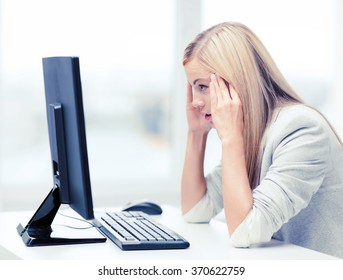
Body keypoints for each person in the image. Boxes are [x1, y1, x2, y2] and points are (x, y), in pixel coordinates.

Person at [181, 21, 343, 258]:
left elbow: (245, 230)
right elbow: (195, 211)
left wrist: (230, 139)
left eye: (203, 87)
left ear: (235, 80)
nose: (195, 101)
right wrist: (196, 134)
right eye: (194, 88)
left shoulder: (302, 129)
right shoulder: (254, 131)